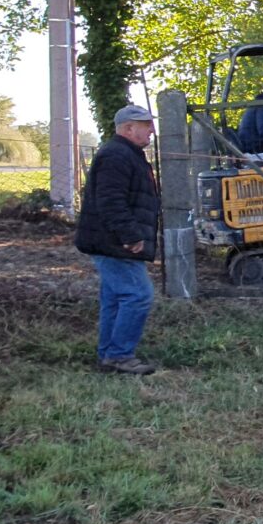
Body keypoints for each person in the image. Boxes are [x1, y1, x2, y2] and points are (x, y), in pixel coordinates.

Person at [74, 103, 164, 374]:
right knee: (138, 295)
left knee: (115, 298)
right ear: (128, 128)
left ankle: (110, 355)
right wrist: (130, 235)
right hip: (114, 241)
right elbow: (111, 200)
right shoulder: (117, 155)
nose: (151, 131)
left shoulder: (127, 153)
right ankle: (120, 355)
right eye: (146, 126)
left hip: (109, 239)